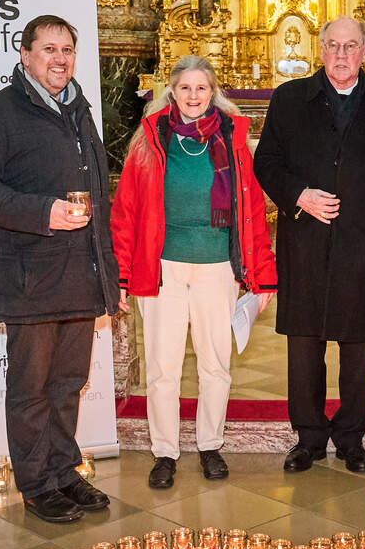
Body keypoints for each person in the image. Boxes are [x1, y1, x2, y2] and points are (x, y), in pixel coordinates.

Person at [0, 16, 121, 523]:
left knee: (68, 383)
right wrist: (41, 212)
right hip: (29, 276)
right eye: (49, 48)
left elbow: (97, 194)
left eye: (67, 49)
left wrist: (107, 272)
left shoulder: (79, 110)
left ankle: (65, 471)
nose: (60, 58)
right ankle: (36, 484)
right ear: (24, 53)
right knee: (31, 389)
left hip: (81, 273)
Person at [110, 56, 277, 489]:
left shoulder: (232, 139)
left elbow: (253, 212)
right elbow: (126, 213)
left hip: (218, 267)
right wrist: (122, 276)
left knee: (215, 365)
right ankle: (164, 452)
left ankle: (210, 445)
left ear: (213, 91)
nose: (193, 96)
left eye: (201, 88)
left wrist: (261, 275)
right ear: (171, 91)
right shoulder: (149, 140)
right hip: (161, 267)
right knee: (163, 368)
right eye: (185, 88)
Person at [254, 16, 365, 474]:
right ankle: (308, 437)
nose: (342, 55)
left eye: (351, 46)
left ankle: (351, 438)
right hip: (305, 239)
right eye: (333, 45)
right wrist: (299, 195)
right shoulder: (289, 99)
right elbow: (267, 162)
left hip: (364, 241)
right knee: (304, 343)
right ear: (320, 50)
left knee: (358, 344)